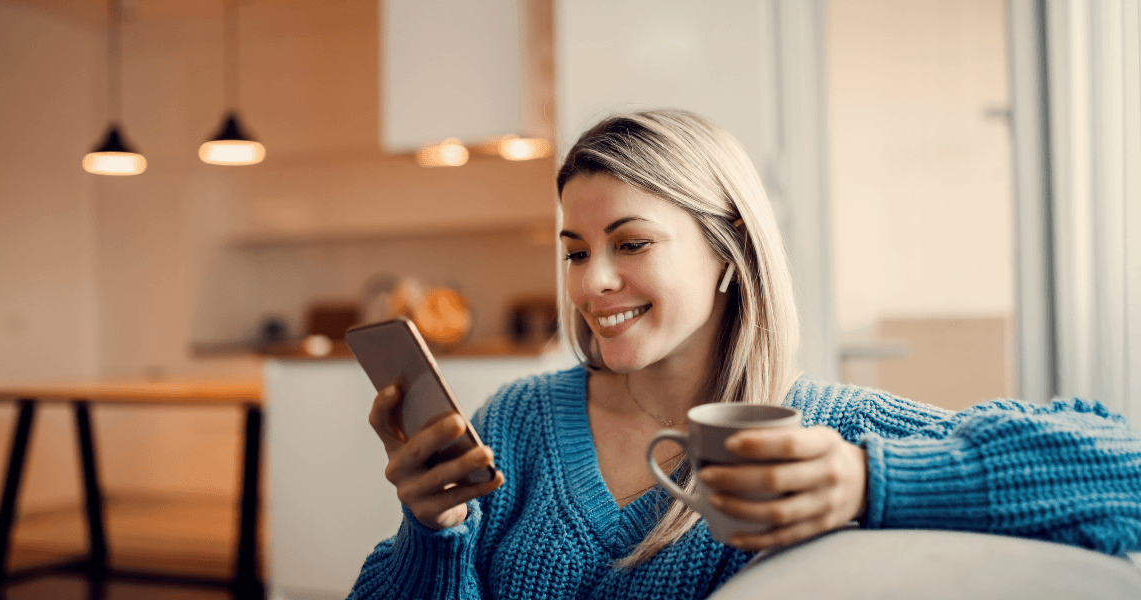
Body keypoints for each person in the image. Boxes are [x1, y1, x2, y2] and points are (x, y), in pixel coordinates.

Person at [348, 109, 1141, 599]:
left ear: (727, 250)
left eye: (631, 243)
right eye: (575, 251)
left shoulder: (828, 435)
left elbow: (1122, 471)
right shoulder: (517, 423)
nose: (592, 283)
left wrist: (867, 481)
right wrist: (434, 528)